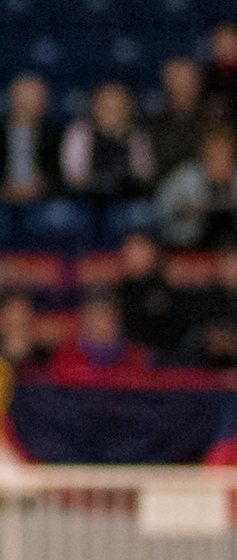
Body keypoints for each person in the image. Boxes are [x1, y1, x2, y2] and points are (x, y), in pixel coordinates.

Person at [58, 81, 156, 201]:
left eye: (117, 108)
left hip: (127, 198)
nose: (111, 113)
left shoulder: (137, 137)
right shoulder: (79, 133)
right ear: (95, 108)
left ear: (127, 109)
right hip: (86, 199)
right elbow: (73, 175)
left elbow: (144, 175)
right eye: (106, 107)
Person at [152, 121, 237, 250]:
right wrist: (186, 210)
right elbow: (161, 208)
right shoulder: (185, 176)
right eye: (214, 149)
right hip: (192, 240)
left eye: (224, 150)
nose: (219, 154)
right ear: (205, 151)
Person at [0, 73, 60, 205]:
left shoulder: (54, 133)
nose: (30, 101)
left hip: (44, 201)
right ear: (13, 97)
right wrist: (2, 189)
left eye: (36, 95)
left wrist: (42, 186)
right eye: (25, 94)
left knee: (59, 213)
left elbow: (64, 179)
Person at [111, 231, 191, 360]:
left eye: (141, 249)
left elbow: (176, 329)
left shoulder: (168, 286)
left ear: (153, 252)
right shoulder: (118, 290)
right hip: (126, 357)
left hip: (168, 356)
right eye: (131, 249)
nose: (136, 255)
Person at [48, 289, 146, 376]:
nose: (102, 322)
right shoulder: (66, 357)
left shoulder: (136, 357)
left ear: (117, 319)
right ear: (84, 320)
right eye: (95, 316)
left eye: (106, 315)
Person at [150, 58, 211, 179]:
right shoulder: (157, 125)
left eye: (187, 83)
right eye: (177, 83)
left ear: (197, 85)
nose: (183, 89)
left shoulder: (211, 121)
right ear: (168, 87)